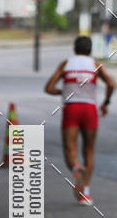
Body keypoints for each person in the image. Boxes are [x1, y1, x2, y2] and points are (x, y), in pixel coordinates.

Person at [44, 35, 114, 205]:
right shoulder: (95, 65)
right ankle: (86, 193)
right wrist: (105, 103)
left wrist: (63, 92)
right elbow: (111, 84)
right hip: (89, 109)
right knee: (88, 151)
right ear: (90, 51)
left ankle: (76, 168)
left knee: (70, 148)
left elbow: (49, 87)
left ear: (74, 49)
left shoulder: (66, 64)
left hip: (72, 109)